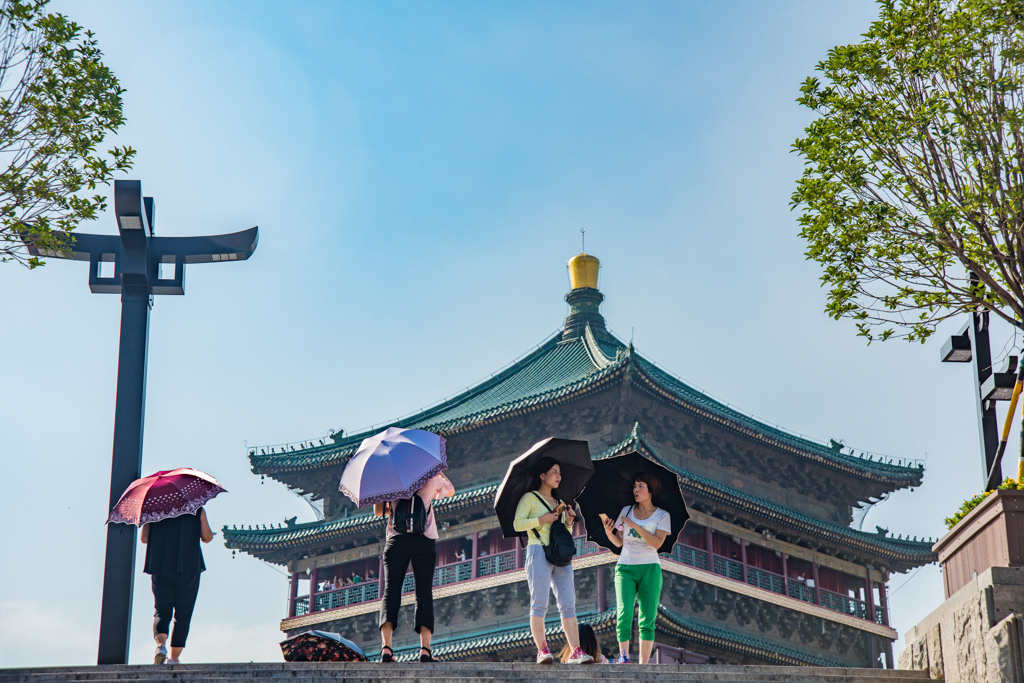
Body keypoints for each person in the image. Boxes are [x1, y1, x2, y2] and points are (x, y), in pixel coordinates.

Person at [513, 457, 593, 665]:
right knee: (539, 603)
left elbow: (562, 532)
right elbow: (517, 524)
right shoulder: (529, 498)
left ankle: (576, 650)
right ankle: (542, 650)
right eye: (554, 472)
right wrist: (541, 520)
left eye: (559, 473)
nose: (558, 476)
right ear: (542, 475)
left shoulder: (560, 503)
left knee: (568, 603)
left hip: (560, 554)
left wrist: (567, 521)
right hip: (537, 549)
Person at [374, 471, 454, 664]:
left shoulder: (389, 480)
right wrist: (439, 471)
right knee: (423, 593)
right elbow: (450, 491)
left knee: (391, 591)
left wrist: (394, 509)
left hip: (396, 541)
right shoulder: (430, 477)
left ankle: (386, 648)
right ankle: (425, 650)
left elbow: (378, 512)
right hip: (424, 540)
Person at [601, 472, 671, 664]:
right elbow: (619, 542)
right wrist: (609, 533)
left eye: (640, 486)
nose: (636, 490)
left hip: (650, 568)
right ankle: (623, 656)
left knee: (647, 618)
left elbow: (656, 543)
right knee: (624, 613)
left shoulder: (662, 515)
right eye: (634, 486)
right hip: (625, 568)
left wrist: (635, 525)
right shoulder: (626, 510)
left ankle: (643, 664)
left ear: (651, 490)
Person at [141, 507, 214, 665]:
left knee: (161, 610)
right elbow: (207, 537)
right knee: (183, 615)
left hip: (161, 564)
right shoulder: (197, 510)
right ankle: (173, 659)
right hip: (188, 568)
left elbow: (144, 538)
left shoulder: (154, 508)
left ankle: (161, 646)